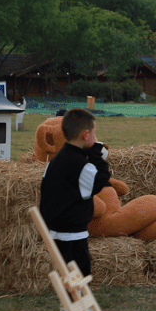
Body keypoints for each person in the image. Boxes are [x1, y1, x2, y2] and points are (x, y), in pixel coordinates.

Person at [40, 108, 111, 278]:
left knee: (66, 273)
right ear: (86, 135)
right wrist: (97, 157)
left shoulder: (54, 162)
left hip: (55, 230)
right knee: (80, 275)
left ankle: (69, 295)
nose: (95, 137)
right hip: (73, 233)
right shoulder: (82, 166)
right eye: (94, 133)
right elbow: (100, 180)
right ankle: (75, 297)